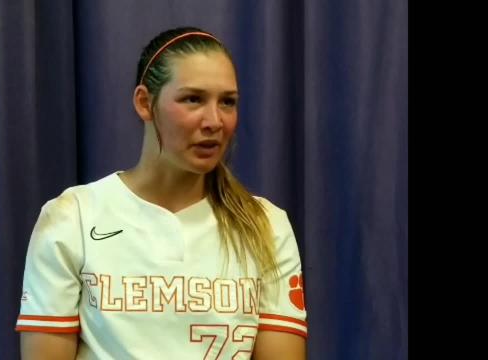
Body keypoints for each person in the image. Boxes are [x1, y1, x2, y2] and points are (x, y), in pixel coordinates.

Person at [16, 26, 307, 359]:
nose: (214, 121)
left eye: (227, 102)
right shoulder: (73, 217)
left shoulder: (267, 226)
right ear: (144, 103)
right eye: (193, 99)